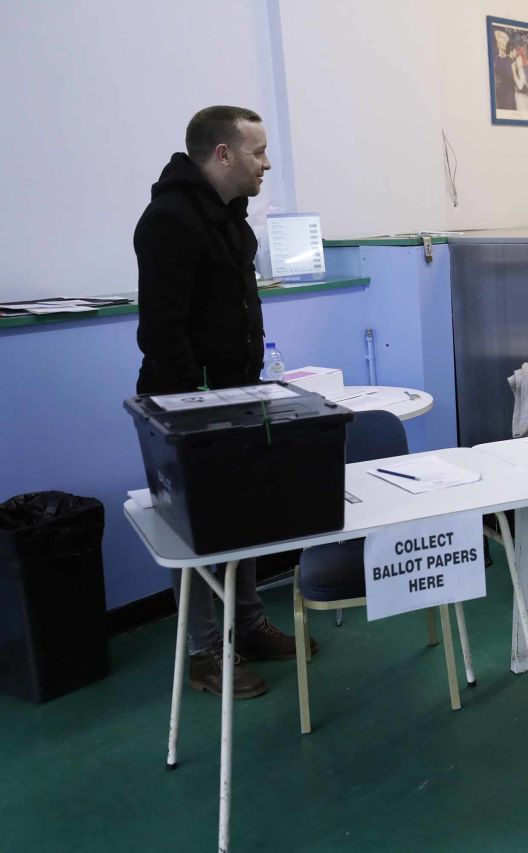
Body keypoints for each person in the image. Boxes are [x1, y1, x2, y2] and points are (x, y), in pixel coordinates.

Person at [134, 105, 315, 698]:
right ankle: (206, 654)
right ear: (222, 155)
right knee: (196, 534)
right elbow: (162, 332)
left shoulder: (230, 219)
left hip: (234, 399)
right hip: (186, 408)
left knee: (241, 523)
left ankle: (250, 627)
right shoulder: (169, 220)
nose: (266, 164)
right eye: (258, 152)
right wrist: (197, 408)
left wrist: (245, 391)